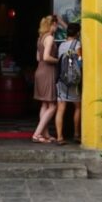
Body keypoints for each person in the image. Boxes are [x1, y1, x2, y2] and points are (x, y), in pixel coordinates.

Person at [32, 15, 59, 143]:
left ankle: (45, 134)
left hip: (39, 71)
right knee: (53, 105)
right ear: (52, 24)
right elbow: (47, 57)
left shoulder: (40, 38)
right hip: (48, 71)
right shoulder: (49, 38)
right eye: (56, 24)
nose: (57, 27)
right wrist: (58, 60)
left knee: (44, 104)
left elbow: (38, 58)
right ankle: (37, 134)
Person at [55, 21, 82, 145]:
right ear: (78, 33)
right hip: (74, 81)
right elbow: (81, 61)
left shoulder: (61, 46)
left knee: (61, 108)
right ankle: (76, 134)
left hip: (62, 80)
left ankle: (59, 137)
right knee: (77, 107)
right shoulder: (78, 45)